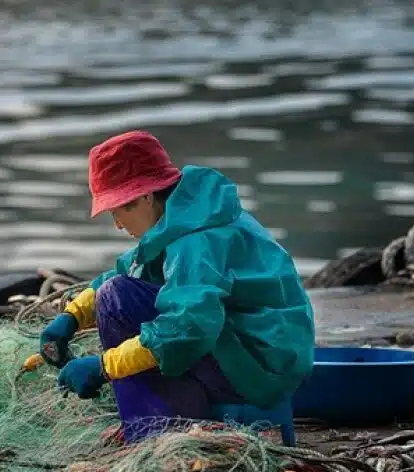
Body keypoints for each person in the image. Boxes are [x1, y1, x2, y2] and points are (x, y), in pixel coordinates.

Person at [40, 130, 315, 442]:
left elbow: (188, 329)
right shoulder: (191, 215)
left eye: (117, 210)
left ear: (144, 196)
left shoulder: (197, 241)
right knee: (118, 290)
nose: (116, 224)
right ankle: (163, 419)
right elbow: (133, 269)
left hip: (259, 369)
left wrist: (105, 366)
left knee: (117, 299)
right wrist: (72, 317)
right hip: (262, 353)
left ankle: (157, 435)